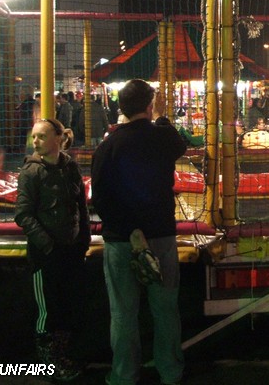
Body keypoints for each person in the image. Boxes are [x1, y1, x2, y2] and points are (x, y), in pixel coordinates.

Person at [91, 79, 187, 385]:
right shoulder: (162, 138)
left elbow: (101, 197)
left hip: (122, 238)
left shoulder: (108, 146)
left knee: (123, 311)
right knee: (165, 309)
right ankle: (170, 370)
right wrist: (160, 116)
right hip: (160, 234)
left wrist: (129, 229)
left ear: (121, 108)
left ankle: (124, 374)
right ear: (150, 105)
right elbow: (178, 142)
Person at [14, 117, 89, 381]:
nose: (36, 141)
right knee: (48, 310)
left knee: (66, 305)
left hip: (70, 250)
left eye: (42, 136)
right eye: (34, 137)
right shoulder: (31, 172)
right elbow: (23, 214)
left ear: (58, 139)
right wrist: (47, 246)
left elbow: (81, 205)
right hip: (46, 255)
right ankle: (48, 363)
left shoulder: (69, 167)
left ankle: (62, 357)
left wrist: (83, 240)